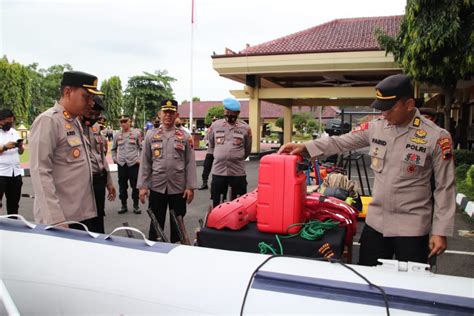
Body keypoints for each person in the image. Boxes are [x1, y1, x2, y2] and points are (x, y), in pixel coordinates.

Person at [278, 74, 456, 266]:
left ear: (410, 104)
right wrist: (305, 147)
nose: (383, 113)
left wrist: (440, 231)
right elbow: (339, 142)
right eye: (381, 107)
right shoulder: (376, 128)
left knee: (410, 288)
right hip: (376, 223)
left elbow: (445, 186)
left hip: (412, 228)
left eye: (389, 108)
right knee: (369, 282)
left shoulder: (436, 137)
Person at [29, 71, 102, 226]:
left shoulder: (74, 122)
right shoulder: (48, 121)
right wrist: (55, 218)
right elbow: (39, 171)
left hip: (79, 214)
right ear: (68, 92)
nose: (91, 102)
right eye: (86, 97)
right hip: (61, 218)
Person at [137, 99, 197, 242]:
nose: (168, 115)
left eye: (171, 112)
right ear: (160, 114)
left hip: (178, 188)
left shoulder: (185, 137)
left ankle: (177, 249)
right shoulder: (151, 135)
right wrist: (143, 186)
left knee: (178, 222)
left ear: (177, 114)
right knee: (156, 222)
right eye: (165, 112)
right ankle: (154, 247)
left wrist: (190, 187)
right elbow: (146, 162)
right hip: (157, 186)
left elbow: (190, 163)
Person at [79, 96, 117, 233]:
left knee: (98, 217)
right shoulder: (73, 126)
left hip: (98, 180)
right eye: (91, 113)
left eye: (97, 114)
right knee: (83, 222)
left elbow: (101, 157)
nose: (94, 117)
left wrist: (109, 182)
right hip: (82, 183)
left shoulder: (95, 128)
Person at [208, 98, 252, 207]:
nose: (229, 115)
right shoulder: (215, 126)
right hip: (219, 171)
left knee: (238, 203)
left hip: (237, 171)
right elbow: (211, 145)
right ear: (224, 111)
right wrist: (220, 155)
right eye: (227, 112)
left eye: (232, 113)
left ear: (238, 113)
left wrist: (236, 156)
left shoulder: (245, 128)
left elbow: (247, 149)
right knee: (217, 201)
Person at [111, 115, 142, 214]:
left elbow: (141, 148)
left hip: (133, 164)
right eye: (121, 122)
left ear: (130, 122)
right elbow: (113, 149)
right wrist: (114, 159)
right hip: (122, 164)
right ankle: (123, 205)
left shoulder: (136, 134)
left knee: (135, 186)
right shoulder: (117, 135)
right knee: (122, 186)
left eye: (125, 121)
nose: (123, 123)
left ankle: (136, 205)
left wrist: (139, 159)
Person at [0, 109, 24, 215]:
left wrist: (20, 147)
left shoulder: (14, 132)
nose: (10, 123)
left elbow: (21, 152)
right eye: (7, 121)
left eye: (11, 120)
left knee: (14, 204)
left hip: (15, 173)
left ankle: (13, 226)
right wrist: (5, 147)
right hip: (1, 173)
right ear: (1, 121)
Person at [198, 116, 217, 190]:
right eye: (213, 120)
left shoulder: (222, 130)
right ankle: (204, 183)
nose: (214, 122)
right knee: (206, 167)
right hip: (210, 151)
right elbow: (205, 139)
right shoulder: (209, 130)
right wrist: (208, 143)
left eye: (215, 120)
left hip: (219, 152)